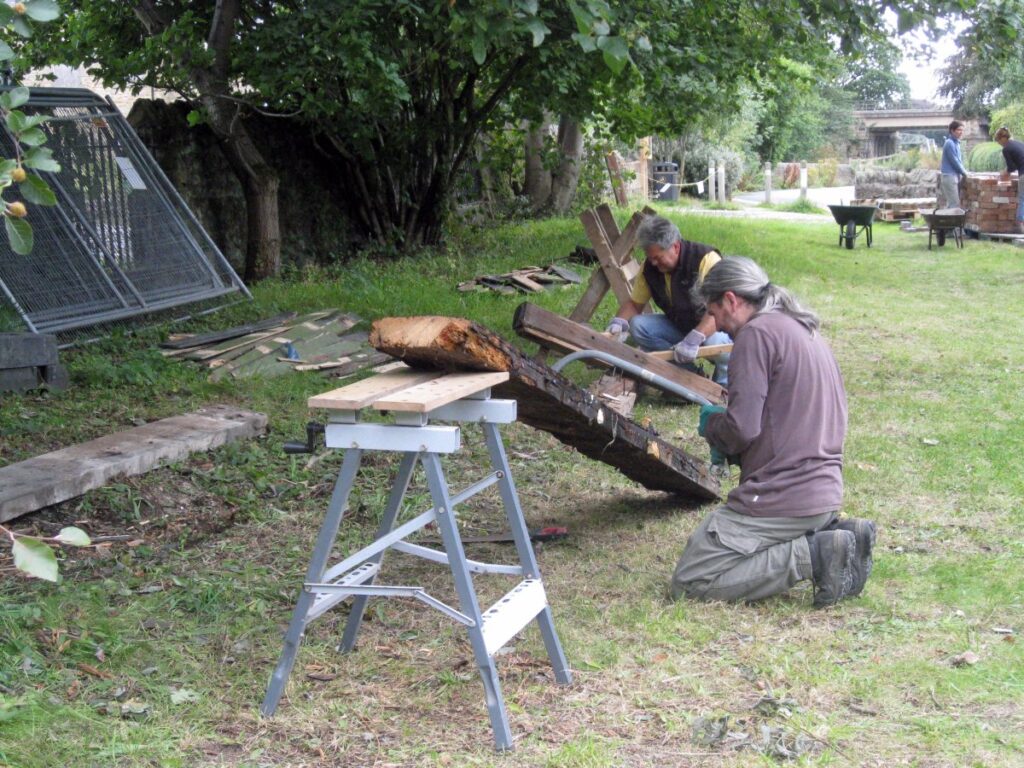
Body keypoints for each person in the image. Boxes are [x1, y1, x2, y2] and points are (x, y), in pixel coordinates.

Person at [670, 256, 876, 607]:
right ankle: (836, 535)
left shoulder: (755, 335)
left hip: (783, 496)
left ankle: (815, 554)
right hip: (823, 493)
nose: (717, 324)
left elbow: (742, 429)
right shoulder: (802, 329)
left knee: (690, 581)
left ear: (732, 300)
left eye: (715, 311)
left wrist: (714, 424)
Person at [604, 215, 731, 385]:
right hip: (681, 326)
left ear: (676, 247)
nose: (654, 263)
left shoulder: (706, 260)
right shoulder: (649, 268)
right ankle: (690, 376)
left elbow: (723, 308)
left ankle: (725, 384)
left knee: (716, 343)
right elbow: (634, 304)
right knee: (638, 326)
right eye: (650, 258)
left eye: (658, 257)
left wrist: (697, 336)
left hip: (714, 328)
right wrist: (619, 322)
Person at [993, 126, 1024, 235]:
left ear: (1002, 138)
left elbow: (1011, 167)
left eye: (998, 141)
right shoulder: (1019, 143)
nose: (999, 143)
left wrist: (1003, 174)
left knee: (1022, 199)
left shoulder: (1006, 148)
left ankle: (1020, 225)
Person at [939, 120, 968, 209]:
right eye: (959, 130)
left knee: (952, 203)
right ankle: (952, 222)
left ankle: (947, 222)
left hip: (954, 176)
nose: (961, 132)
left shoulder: (956, 143)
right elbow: (954, 161)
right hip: (949, 176)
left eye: (962, 130)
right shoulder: (949, 143)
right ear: (952, 130)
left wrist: (963, 172)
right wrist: (965, 173)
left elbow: (959, 161)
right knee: (954, 203)